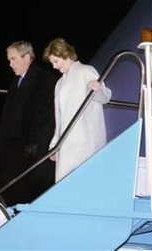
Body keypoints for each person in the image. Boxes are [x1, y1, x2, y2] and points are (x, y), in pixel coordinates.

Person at [0, 40, 58, 207]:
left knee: (15, 190)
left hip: (29, 149)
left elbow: (47, 116)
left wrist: (35, 141)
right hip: (12, 146)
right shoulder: (16, 83)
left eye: (13, 59)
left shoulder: (45, 81)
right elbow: (7, 117)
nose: (10, 64)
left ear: (27, 57)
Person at [42, 37, 112, 182]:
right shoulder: (59, 84)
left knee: (86, 182)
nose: (54, 67)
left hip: (86, 142)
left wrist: (97, 89)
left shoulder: (86, 71)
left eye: (55, 61)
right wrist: (54, 144)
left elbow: (105, 97)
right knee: (65, 184)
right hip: (66, 144)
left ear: (65, 55)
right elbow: (59, 117)